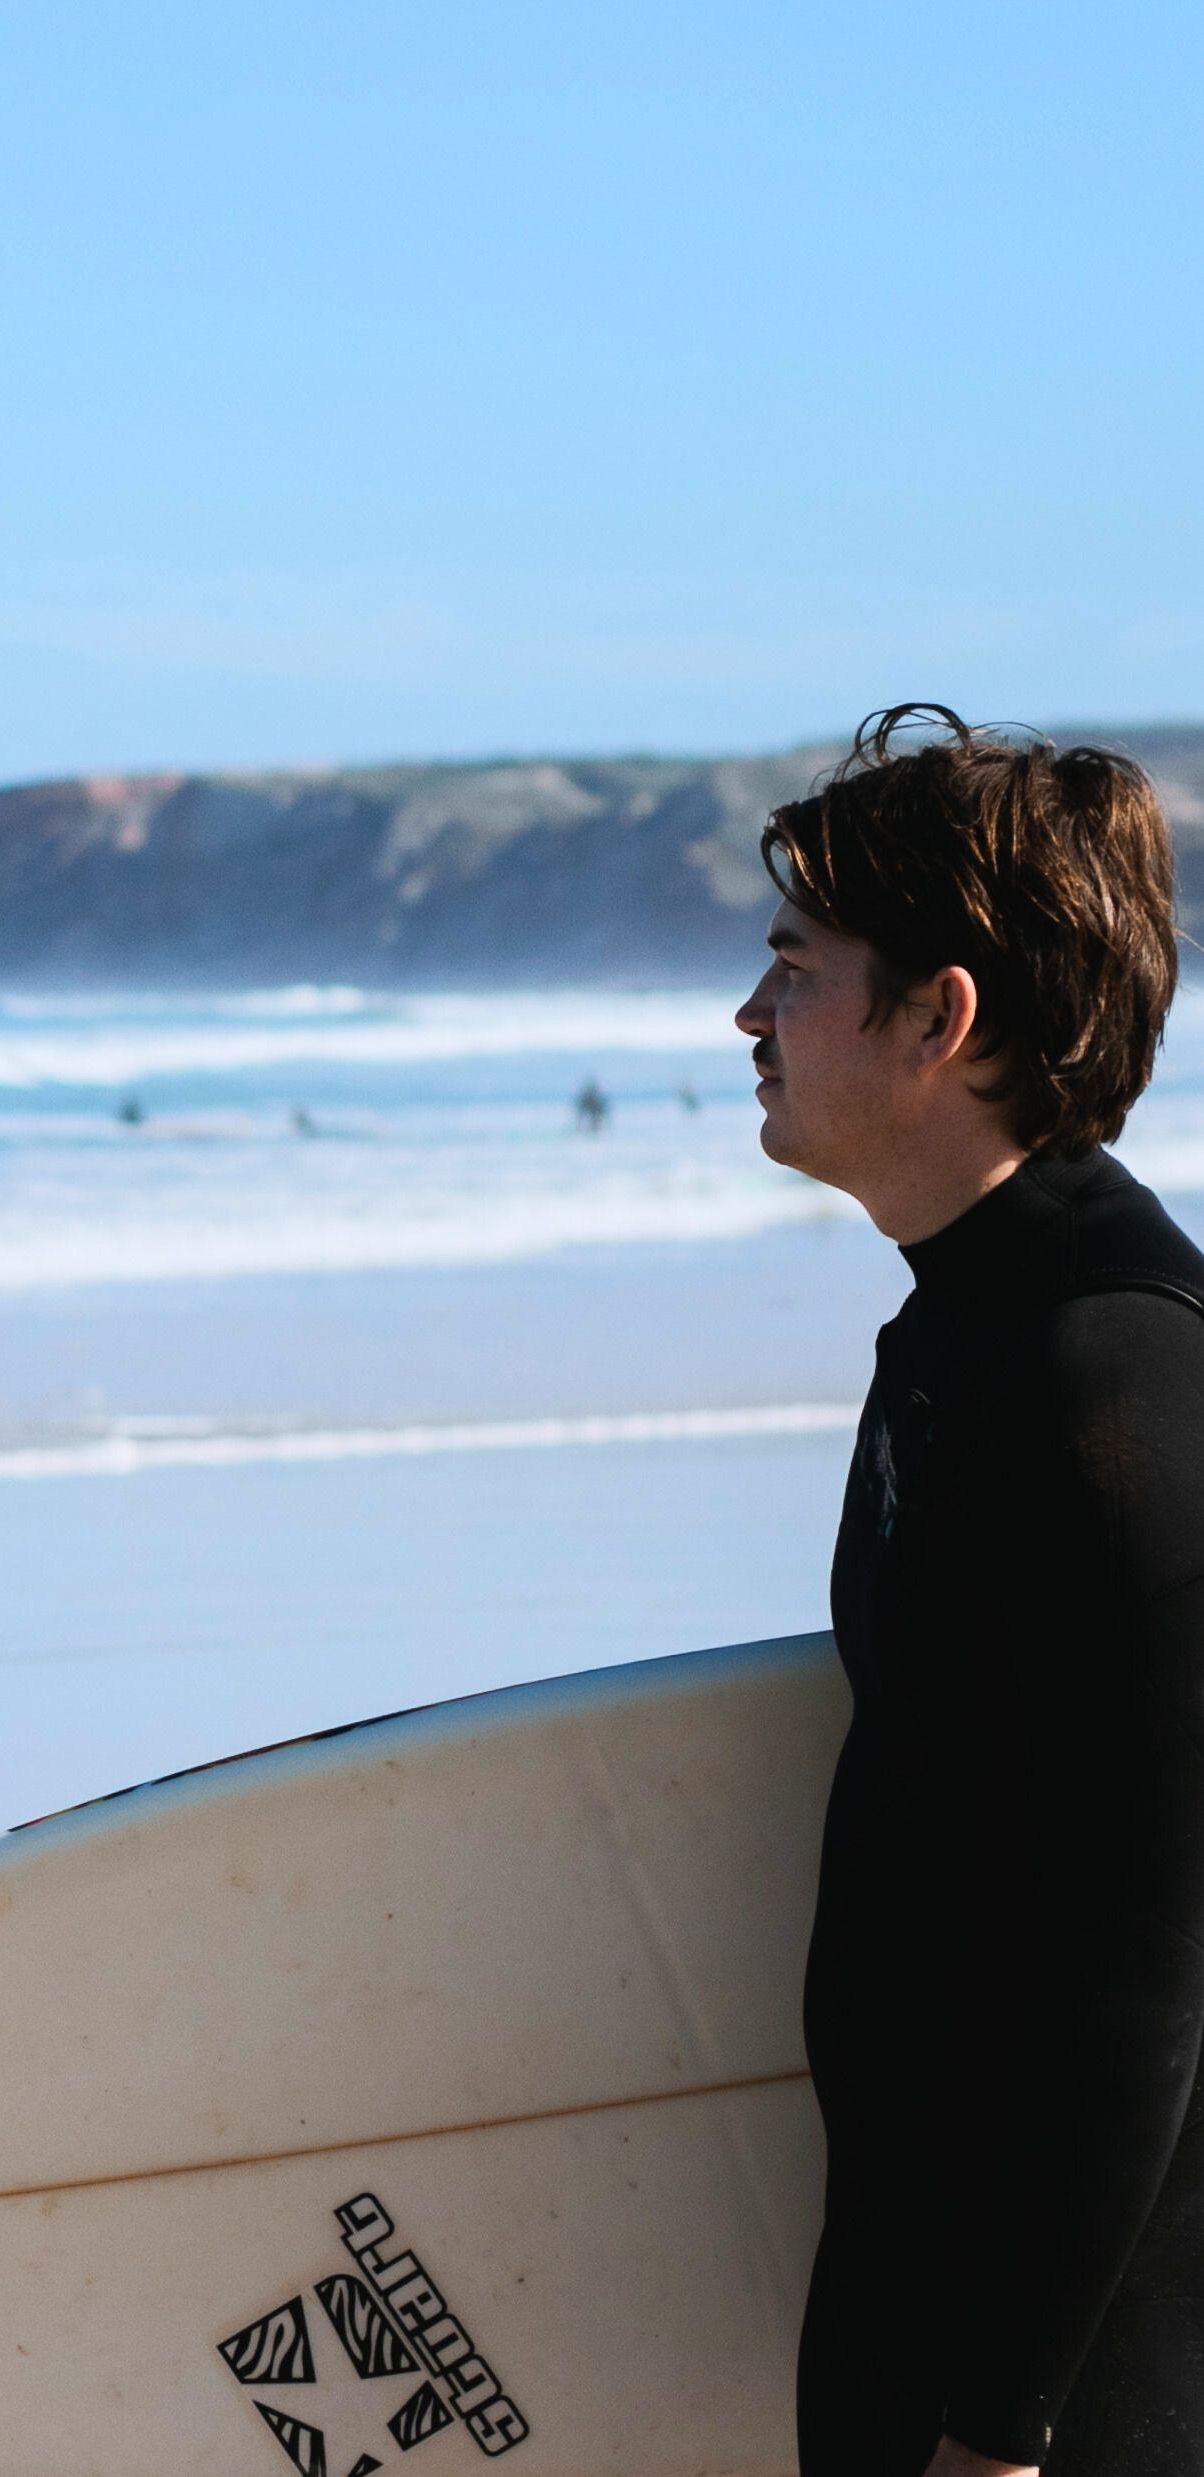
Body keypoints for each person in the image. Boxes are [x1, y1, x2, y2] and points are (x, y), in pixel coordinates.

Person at [735, 707, 1204, 2477]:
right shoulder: (967, 1327)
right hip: (923, 2319)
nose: (748, 1017)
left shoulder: (1118, 1383)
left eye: (793, 968)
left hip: (1081, 2390)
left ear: (939, 1016)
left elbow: (1152, 1964)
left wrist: (1001, 2434)